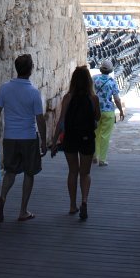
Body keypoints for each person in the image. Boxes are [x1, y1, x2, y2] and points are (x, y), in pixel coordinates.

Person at [0, 54, 47, 222]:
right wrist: (44, 141)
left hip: (10, 137)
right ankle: (23, 211)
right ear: (31, 70)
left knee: (10, 172)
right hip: (28, 137)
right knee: (29, 173)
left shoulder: (5, 88)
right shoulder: (34, 92)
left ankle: (2, 197)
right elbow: (40, 119)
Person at [52, 66, 100, 220]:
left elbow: (61, 122)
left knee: (73, 171)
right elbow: (97, 117)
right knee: (85, 173)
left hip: (70, 138)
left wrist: (54, 141)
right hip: (87, 138)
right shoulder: (93, 98)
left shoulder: (67, 98)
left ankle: (73, 205)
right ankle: (84, 201)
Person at [93, 59, 124, 166]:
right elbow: (117, 99)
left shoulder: (94, 79)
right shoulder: (112, 82)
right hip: (108, 111)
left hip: (95, 111)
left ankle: (94, 156)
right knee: (105, 135)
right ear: (110, 71)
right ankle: (102, 159)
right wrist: (121, 111)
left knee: (95, 134)